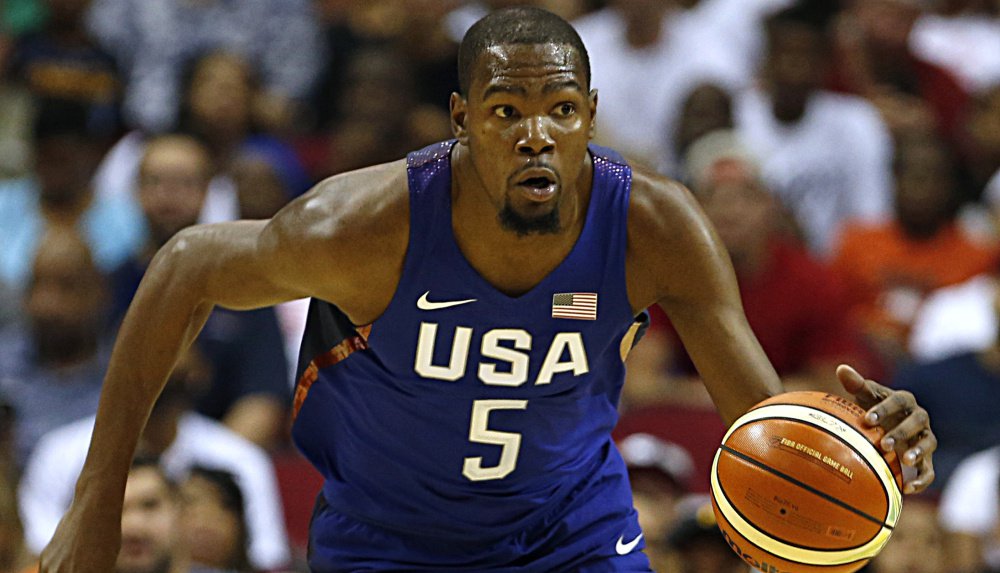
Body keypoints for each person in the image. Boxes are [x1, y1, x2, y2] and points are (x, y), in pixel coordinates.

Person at [40, 8, 937, 573]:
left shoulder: (656, 228)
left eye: (561, 111)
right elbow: (186, 263)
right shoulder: (364, 226)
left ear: (590, 113)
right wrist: (97, 501)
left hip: (571, 530)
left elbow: (761, 420)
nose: (537, 135)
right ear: (465, 121)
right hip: (387, 537)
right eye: (508, 112)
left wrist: (857, 452)